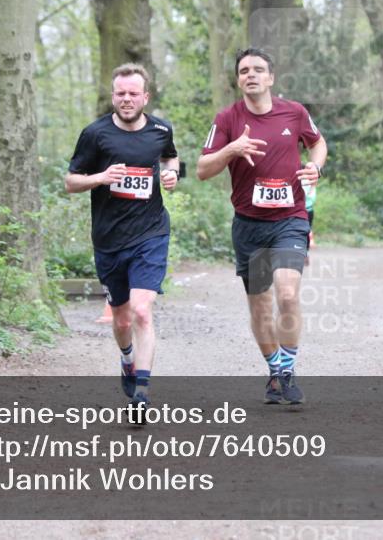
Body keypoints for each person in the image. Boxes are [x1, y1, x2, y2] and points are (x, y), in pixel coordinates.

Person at [197, 47, 327, 404]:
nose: (250, 75)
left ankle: (287, 371)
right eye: (243, 71)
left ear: (270, 77)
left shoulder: (294, 112)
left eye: (257, 69)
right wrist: (231, 150)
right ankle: (274, 370)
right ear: (238, 80)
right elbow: (202, 170)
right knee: (260, 306)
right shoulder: (227, 119)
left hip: (290, 219)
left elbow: (318, 144)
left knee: (287, 293)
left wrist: (316, 167)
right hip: (249, 225)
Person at [65, 63, 179, 412]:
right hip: (109, 240)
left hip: (151, 233)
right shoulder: (95, 134)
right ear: (113, 96)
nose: (127, 99)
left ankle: (141, 393)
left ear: (145, 96)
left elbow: (171, 158)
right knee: (122, 319)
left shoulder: (161, 129)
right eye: (121, 93)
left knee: (142, 311)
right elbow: (70, 182)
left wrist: (172, 174)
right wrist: (100, 177)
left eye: (133, 93)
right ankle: (127, 357)